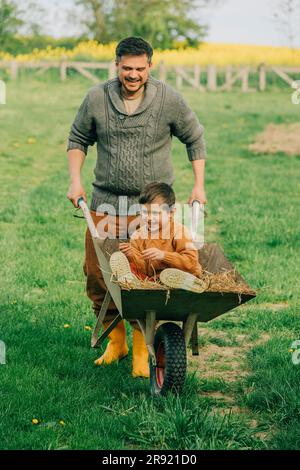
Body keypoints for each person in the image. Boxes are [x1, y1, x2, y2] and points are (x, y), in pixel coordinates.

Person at [66, 36, 207, 378]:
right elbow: (77, 138)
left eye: (139, 69)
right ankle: (117, 343)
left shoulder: (168, 99)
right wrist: (76, 180)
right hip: (106, 204)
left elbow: (194, 137)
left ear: (150, 66)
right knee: (98, 275)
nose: (133, 75)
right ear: (117, 65)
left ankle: (143, 351)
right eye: (126, 68)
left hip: (153, 209)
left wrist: (199, 184)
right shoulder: (97, 98)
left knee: (148, 280)